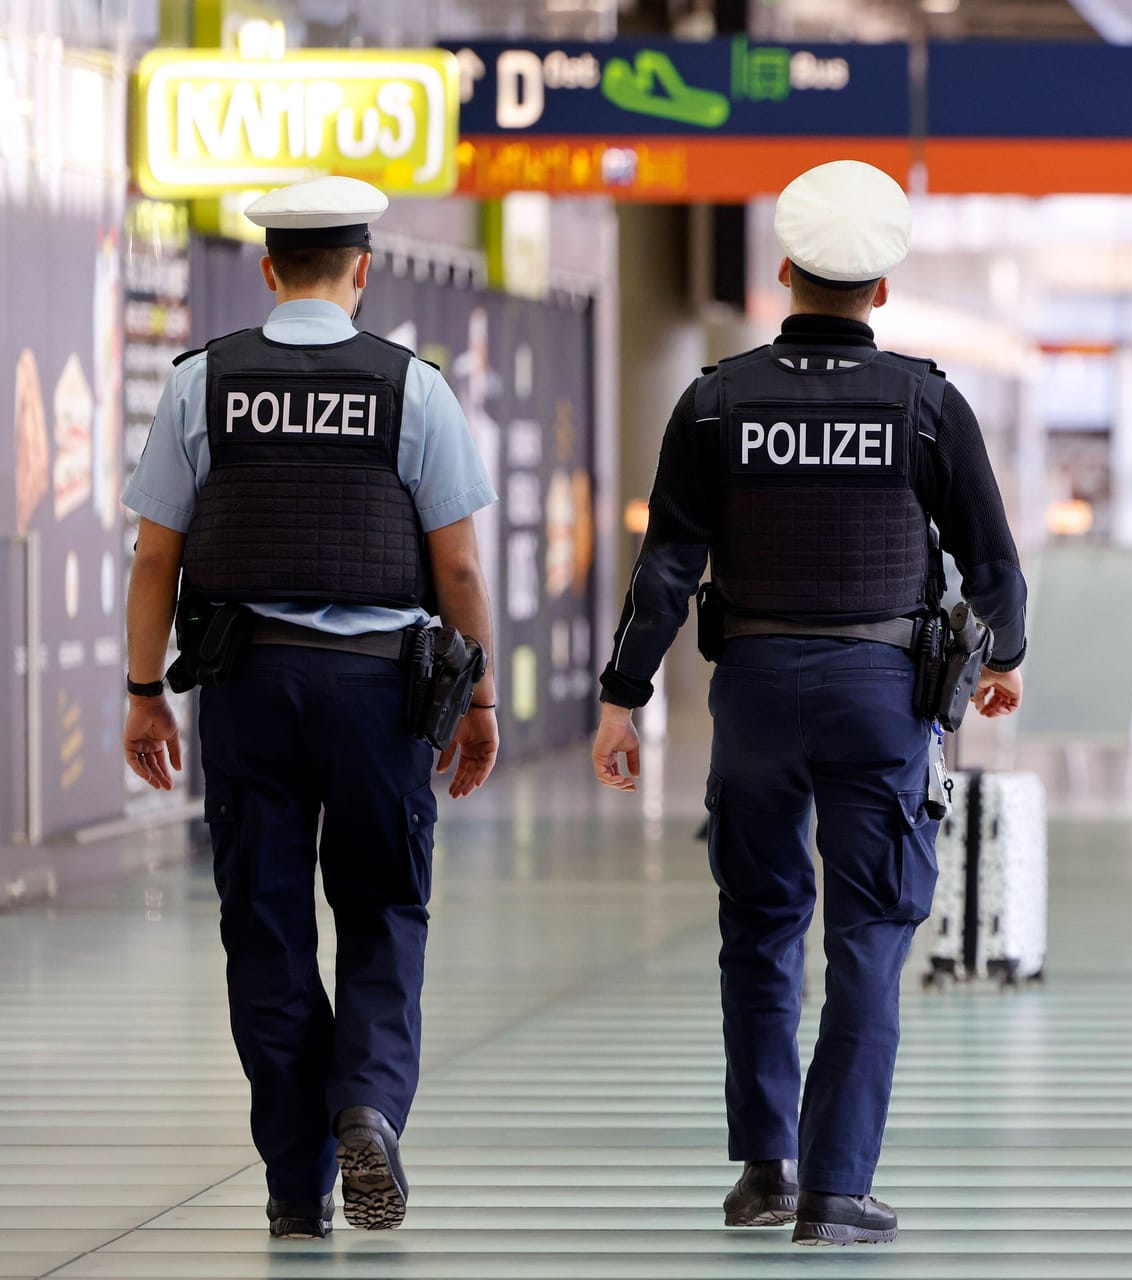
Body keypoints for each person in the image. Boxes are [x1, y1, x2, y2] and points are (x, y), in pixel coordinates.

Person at [592, 160, 1029, 1247]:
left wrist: (621, 695)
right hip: (882, 698)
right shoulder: (927, 403)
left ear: (781, 272)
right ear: (881, 290)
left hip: (750, 695)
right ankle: (838, 1190)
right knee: (871, 933)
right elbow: (995, 567)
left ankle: (764, 1171)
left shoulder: (716, 401)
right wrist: (1001, 657)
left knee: (759, 927)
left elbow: (663, 569)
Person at [120, 176, 500, 1241]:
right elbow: (460, 568)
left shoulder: (203, 382)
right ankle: (367, 1104)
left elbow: (157, 555)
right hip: (383, 692)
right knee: (383, 907)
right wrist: (479, 700)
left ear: (268, 269)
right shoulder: (409, 388)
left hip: (248, 689)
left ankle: (296, 1184)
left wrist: (144, 692)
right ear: (363, 271)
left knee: (268, 930)